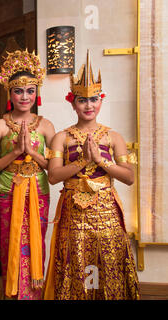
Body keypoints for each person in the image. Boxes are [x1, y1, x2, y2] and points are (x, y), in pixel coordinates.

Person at [44, 51, 140, 300]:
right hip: (73, 212)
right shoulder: (61, 137)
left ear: (101, 101)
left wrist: (100, 161)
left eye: (94, 99)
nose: (89, 105)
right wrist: (84, 161)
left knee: (108, 263)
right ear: (72, 102)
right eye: (82, 100)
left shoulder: (113, 137)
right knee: (75, 261)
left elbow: (129, 177)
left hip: (106, 209)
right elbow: (53, 176)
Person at [0, 49, 56, 299]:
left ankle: (34, 295)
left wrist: (33, 153)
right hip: (8, 190)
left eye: (30, 90)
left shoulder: (46, 125)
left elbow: (53, 168)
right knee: (10, 244)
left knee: (37, 241)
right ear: (9, 93)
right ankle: (13, 294)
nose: (24, 96)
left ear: (36, 92)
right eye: (18, 90)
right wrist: (16, 150)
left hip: (38, 190)